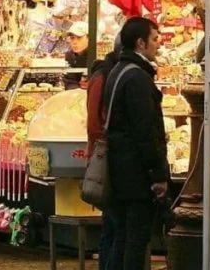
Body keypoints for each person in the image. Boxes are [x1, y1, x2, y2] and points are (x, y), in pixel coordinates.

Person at [103, 17, 169, 270]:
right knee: (135, 241)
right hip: (136, 175)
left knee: (122, 236)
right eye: (154, 39)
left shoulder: (117, 72)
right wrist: (158, 174)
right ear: (140, 43)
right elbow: (145, 131)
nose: (157, 45)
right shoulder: (138, 79)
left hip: (119, 169)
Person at [87, 35, 122, 270]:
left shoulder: (110, 73)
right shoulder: (104, 76)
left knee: (111, 226)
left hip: (111, 159)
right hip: (108, 161)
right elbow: (94, 124)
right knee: (115, 227)